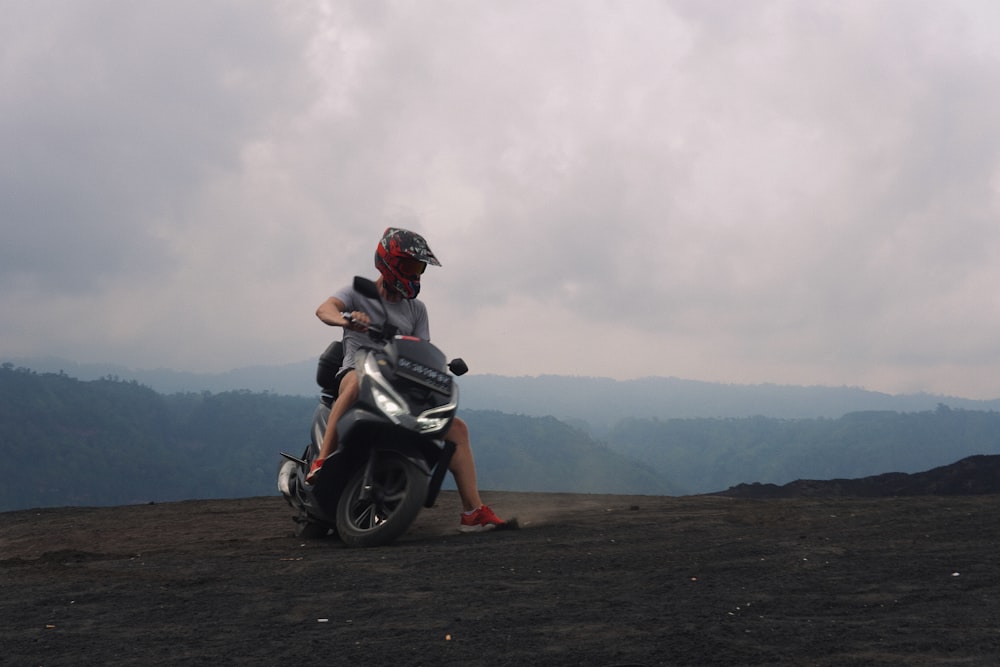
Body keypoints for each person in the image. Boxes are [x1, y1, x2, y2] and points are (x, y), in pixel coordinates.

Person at [306, 227, 506, 532]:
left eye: (419, 268)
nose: (416, 275)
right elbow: (324, 309)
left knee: (458, 429)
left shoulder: (417, 309)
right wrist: (347, 320)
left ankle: (472, 512)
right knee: (356, 381)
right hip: (358, 370)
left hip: (397, 380)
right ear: (388, 262)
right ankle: (321, 461)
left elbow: (421, 347)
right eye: (410, 267)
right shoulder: (356, 293)